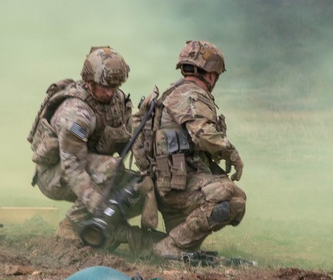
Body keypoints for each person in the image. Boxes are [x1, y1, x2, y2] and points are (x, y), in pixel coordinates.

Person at [29, 46, 155, 250]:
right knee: (111, 168)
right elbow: (73, 168)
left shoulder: (117, 101)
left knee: (138, 188)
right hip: (56, 174)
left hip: (94, 169)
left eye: (114, 86)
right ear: (89, 83)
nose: (110, 92)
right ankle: (70, 225)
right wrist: (99, 205)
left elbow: (127, 137)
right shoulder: (75, 115)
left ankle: (104, 230)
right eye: (104, 87)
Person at [132, 40, 246, 259]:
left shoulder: (172, 93)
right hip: (178, 189)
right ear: (211, 73)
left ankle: (173, 246)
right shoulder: (190, 96)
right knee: (234, 198)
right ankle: (171, 246)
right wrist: (232, 154)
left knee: (191, 244)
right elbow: (203, 134)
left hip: (171, 183)